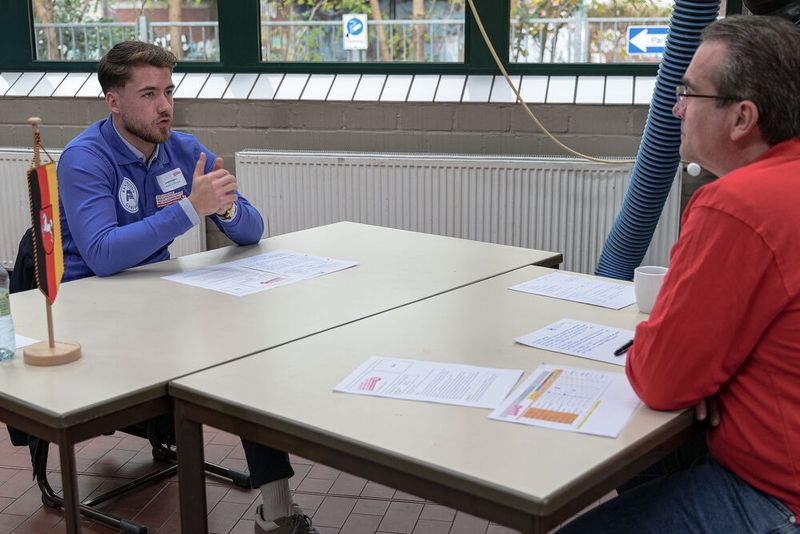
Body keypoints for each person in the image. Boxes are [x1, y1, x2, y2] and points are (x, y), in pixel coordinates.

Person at [55, 41, 318, 534]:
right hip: (92, 313)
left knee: (248, 351)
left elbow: (251, 230)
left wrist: (225, 208)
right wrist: (188, 209)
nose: (165, 106)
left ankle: (276, 510)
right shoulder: (83, 159)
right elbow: (103, 254)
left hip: (157, 304)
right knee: (231, 361)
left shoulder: (183, 148)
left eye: (169, 92)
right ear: (113, 102)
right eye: (149, 94)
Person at [558, 15, 800, 533]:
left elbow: (662, 380)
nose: (676, 109)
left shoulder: (738, 205)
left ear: (741, 118)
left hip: (779, 497)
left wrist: (694, 372)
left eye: (689, 92)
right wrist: (714, 372)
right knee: (655, 462)